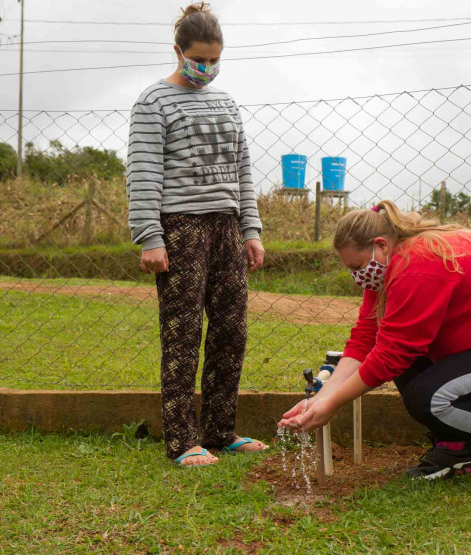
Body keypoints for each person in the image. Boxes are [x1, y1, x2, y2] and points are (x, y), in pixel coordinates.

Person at [279, 200, 471, 493]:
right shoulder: (388, 267)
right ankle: (455, 448)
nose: (357, 277)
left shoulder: (418, 265)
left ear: (380, 245)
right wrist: (320, 399)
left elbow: (390, 357)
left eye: (357, 266)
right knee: (416, 376)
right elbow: (366, 340)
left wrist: (332, 404)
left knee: (430, 398)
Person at [126, 2, 268, 467]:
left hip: (228, 226)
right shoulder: (153, 102)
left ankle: (221, 430)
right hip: (180, 227)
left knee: (232, 330)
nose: (206, 67)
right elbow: (143, 172)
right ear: (178, 50)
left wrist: (251, 228)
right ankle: (183, 440)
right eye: (199, 58)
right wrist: (149, 235)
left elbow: (242, 168)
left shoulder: (227, 102)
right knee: (183, 333)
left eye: (213, 59)